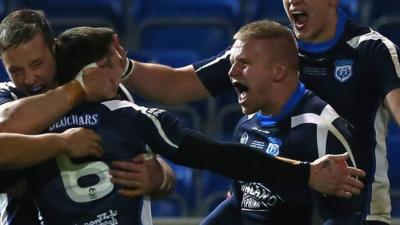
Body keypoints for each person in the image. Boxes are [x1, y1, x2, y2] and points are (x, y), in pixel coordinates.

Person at [29, 25, 364, 225]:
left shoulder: (30, 125)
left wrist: (160, 177)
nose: (122, 75)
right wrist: (305, 172)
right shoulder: (133, 117)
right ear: (97, 69)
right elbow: (216, 156)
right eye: (117, 65)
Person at [116, 1, 400, 224]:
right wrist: (121, 67)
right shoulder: (264, 49)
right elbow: (175, 86)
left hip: (357, 211)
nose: (293, 1)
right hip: (281, 202)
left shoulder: (370, 50)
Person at [0, 9, 174, 225]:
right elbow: (3, 124)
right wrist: (64, 137)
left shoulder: (105, 90)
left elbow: (150, 157)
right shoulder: (7, 96)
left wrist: (161, 178)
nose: (29, 78)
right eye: (15, 70)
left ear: (53, 48)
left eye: (37, 64)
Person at [202, 20, 361, 225]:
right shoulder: (245, 126)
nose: (232, 72)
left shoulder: (320, 129)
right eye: (232, 63)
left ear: (279, 71)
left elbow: (345, 219)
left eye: (244, 63)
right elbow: (239, 202)